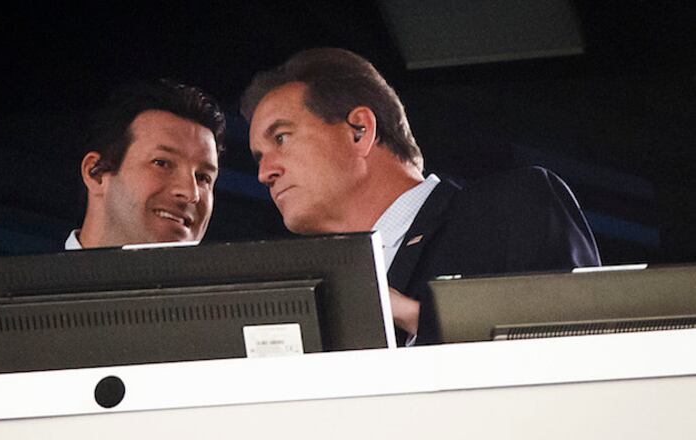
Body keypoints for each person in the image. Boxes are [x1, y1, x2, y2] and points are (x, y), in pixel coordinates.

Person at [241, 48, 601, 345]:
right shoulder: (310, 294)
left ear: (359, 131)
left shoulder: (511, 207)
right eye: (258, 157)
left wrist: (415, 316)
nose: (264, 173)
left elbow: (580, 341)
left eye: (281, 139)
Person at [67, 79, 225, 249]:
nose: (190, 193)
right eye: (162, 163)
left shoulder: (244, 275)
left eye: (203, 178)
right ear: (95, 173)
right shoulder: (37, 275)